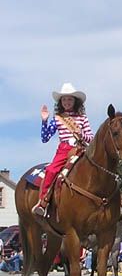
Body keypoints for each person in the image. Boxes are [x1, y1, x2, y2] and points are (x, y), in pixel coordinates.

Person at [32, 83, 94, 216]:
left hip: (81, 148)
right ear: (60, 102)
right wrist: (44, 121)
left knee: (98, 168)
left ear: (75, 101)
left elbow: (91, 138)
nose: (67, 102)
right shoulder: (58, 118)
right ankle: (43, 202)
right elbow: (45, 138)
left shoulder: (82, 118)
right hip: (64, 149)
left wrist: (81, 134)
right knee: (51, 170)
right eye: (64, 99)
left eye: (70, 99)